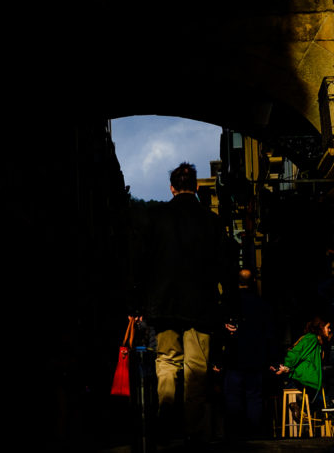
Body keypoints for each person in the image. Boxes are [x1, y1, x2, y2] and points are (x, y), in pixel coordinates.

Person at [131, 162, 235, 444]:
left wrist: (140, 302)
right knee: (196, 369)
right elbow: (225, 266)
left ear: (172, 188)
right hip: (201, 307)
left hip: (163, 306)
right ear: (197, 187)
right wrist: (228, 306)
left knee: (166, 361)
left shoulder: (155, 217)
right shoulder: (211, 221)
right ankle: (193, 431)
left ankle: (165, 419)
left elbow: (140, 262)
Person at [219, 269, 274, 440]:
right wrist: (270, 358)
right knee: (254, 396)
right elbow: (269, 333)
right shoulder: (262, 304)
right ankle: (254, 432)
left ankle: (235, 432)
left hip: (235, 355)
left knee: (233, 395)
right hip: (256, 357)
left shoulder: (229, 303)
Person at [275, 316, 331, 407]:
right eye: (327, 327)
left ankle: (304, 407)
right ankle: (304, 406)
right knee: (323, 395)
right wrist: (286, 367)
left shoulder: (317, 341)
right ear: (321, 328)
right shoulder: (311, 338)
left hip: (308, 377)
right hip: (305, 378)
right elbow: (295, 352)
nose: (329, 330)